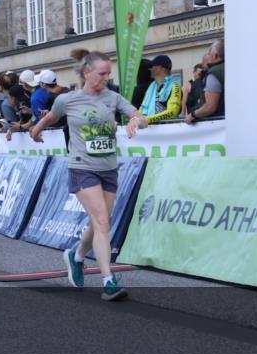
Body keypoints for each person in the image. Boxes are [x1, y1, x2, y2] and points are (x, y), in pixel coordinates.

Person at [29, 51, 149, 301]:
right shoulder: (67, 100)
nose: (107, 77)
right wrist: (35, 131)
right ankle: (108, 280)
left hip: (108, 168)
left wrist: (136, 122)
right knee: (102, 221)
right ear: (87, 73)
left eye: (108, 73)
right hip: (82, 167)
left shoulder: (112, 97)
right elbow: (50, 118)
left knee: (98, 223)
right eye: (102, 73)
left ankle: (76, 256)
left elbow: (139, 115)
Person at [186, 39, 224, 123]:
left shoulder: (214, 73)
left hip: (215, 125)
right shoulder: (232, 67)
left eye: (209, 53)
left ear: (215, 55)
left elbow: (210, 107)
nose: (208, 55)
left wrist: (192, 115)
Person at [139, 55, 182, 123]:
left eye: (152, 66)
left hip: (167, 131)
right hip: (149, 130)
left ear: (160, 68)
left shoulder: (175, 86)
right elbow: (142, 108)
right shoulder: (151, 87)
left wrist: (147, 120)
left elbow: (173, 112)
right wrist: (136, 119)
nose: (150, 69)